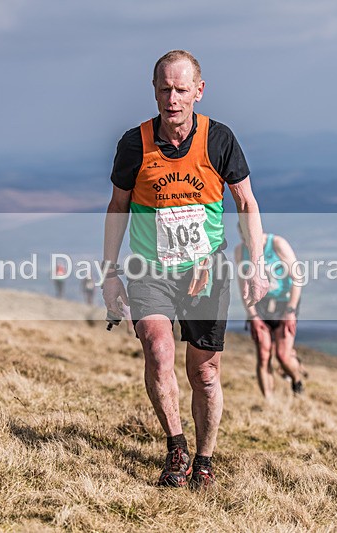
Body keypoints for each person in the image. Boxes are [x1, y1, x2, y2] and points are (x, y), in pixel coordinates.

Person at [102, 50, 269, 489]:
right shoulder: (134, 143)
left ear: (198, 90)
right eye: (164, 89)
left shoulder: (219, 139)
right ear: (153, 90)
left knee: (205, 372)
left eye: (181, 89)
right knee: (158, 350)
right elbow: (118, 207)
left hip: (207, 271)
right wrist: (110, 272)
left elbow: (246, 202)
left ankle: (205, 459)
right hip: (149, 270)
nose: (172, 99)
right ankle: (176, 448)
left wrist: (256, 263)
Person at [235, 229, 305, 398]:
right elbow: (243, 284)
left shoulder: (277, 244)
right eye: (243, 237)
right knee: (263, 354)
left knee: (283, 355)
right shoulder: (240, 251)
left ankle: (296, 379)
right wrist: (252, 316)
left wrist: (291, 310)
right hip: (260, 305)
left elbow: (298, 277)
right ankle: (269, 402)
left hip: (284, 303)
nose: (247, 242)